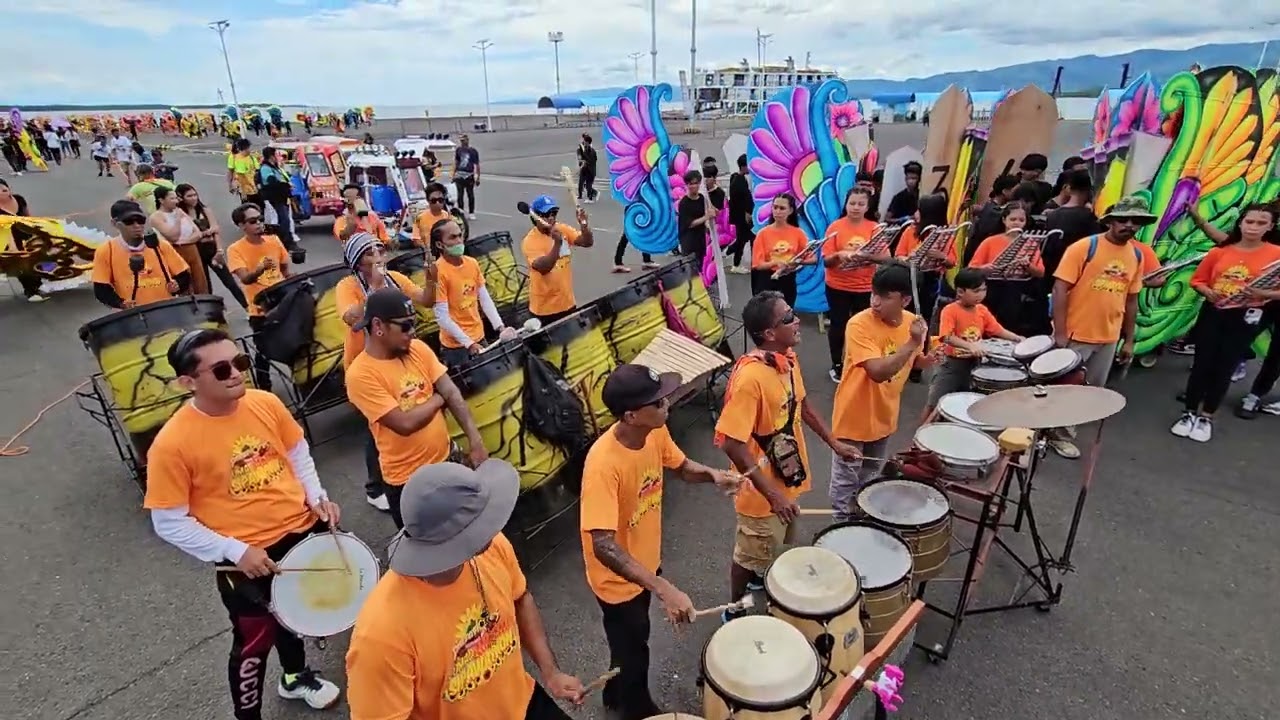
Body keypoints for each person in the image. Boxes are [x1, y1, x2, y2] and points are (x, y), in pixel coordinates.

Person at [143, 328, 342, 720]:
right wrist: (236, 551)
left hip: (300, 532)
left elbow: (296, 451)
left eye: (239, 362)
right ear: (188, 382)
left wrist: (317, 499)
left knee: (296, 615)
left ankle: (295, 677)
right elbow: (168, 521)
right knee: (254, 642)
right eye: (220, 369)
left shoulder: (265, 402)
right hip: (245, 557)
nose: (236, 373)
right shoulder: (171, 444)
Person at [346, 461, 586, 720]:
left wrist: (550, 671)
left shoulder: (492, 546)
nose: (493, 524)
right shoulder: (380, 635)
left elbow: (520, 599)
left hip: (522, 704)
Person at [581, 364, 741, 718]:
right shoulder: (603, 466)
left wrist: (713, 475)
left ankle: (613, 691)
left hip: (644, 561)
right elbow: (603, 545)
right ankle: (637, 709)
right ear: (631, 415)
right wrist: (664, 589)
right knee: (635, 648)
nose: (666, 403)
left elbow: (682, 466)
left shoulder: (654, 432)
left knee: (628, 642)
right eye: (657, 401)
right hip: (617, 583)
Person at [716, 290, 859, 618]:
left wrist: (834, 444)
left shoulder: (787, 360)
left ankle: (759, 578)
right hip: (760, 494)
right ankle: (734, 608)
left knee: (776, 546)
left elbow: (803, 405)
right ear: (768, 334)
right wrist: (773, 497)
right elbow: (730, 442)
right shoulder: (750, 379)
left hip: (787, 477)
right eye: (788, 318)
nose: (797, 322)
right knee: (747, 555)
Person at [345, 288, 488, 528]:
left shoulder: (418, 350)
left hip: (447, 460)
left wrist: (476, 441)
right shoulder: (361, 375)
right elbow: (405, 423)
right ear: (378, 326)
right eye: (405, 326)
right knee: (431, 556)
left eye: (414, 325)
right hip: (409, 483)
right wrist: (439, 398)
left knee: (469, 530)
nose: (412, 333)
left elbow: (452, 391)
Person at [336, 232, 435, 512]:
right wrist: (376, 288)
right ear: (358, 262)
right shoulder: (347, 286)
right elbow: (351, 317)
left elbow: (425, 300)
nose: (379, 256)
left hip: (396, 360)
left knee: (406, 408)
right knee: (377, 426)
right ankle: (374, 487)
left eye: (379, 249)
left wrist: (431, 277)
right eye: (370, 253)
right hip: (364, 364)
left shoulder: (396, 279)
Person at [1048, 195, 1152, 458]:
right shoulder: (1084, 248)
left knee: (1089, 390)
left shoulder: (1137, 255)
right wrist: (1060, 333)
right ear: (1110, 221)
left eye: (1135, 221)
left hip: (1108, 336)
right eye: (1122, 219)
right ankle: (1048, 433)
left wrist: (1128, 340)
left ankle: (1062, 433)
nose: (1128, 225)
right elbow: (1060, 288)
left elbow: (1131, 300)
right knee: (1062, 387)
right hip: (1075, 333)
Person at [829, 264, 933, 518]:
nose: (875, 302)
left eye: (885, 297)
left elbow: (912, 360)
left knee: (870, 475)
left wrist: (927, 358)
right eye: (873, 293)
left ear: (906, 300)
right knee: (845, 481)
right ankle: (840, 525)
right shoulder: (858, 325)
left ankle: (862, 519)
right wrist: (912, 343)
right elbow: (877, 372)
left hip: (885, 415)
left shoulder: (914, 324)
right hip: (853, 417)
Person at [1173, 204, 1280, 441]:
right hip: (1214, 311)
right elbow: (1198, 280)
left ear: (1270, 227)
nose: (1253, 227)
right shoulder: (1219, 252)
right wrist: (1207, 291)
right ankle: (1188, 413)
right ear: (1240, 223)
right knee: (1201, 364)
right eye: (1249, 221)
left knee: (1225, 366)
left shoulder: (1276, 255)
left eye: (1261, 223)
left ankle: (1206, 417)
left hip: (1246, 316)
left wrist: (1264, 294)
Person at [925, 268, 1024, 418]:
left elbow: (997, 330)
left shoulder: (982, 310)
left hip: (973, 363)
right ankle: (920, 433)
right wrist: (970, 346)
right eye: (976, 291)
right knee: (935, 404)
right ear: (960, 292)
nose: (981, 295)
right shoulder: (950, 310)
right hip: (951, 364)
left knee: (965, 404)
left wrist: (1017, 338)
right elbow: (946, 337)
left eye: (984, 290)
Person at [822, 187, 887, 381]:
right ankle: (837, 364)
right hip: (837, 286)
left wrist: (868, 257)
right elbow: (826, 260)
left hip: (865, 287)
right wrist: (840, 255)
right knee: (838, 326)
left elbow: (886, 258)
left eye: (861, 204)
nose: (856, 207)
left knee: (864, 327)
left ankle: (860, 362)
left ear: (867, 206)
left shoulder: (875, 228)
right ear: (846, 204)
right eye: (852, 203)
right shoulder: (835, 227)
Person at [430, 218, 514, 365]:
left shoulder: (472, 263)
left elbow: (485, 299)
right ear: (439, 244)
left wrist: (500, 327)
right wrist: (468, 344)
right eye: (452, 237)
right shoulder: (437, 272)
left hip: (479, 338)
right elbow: (442, 318)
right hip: (456, 348)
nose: (459, 241)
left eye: (459, 235)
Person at [226, 203, 292, 391]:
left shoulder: (274, 241)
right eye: (253, 221)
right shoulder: (235, 249)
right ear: (241, 225)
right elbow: (245, 278)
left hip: (283, 302)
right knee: (263, 352)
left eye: (260, 219)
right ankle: (265, 389)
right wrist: (260, 269)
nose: (259, 224)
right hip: (260, 309)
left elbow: (286, 271)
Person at [91, 200, 190, 309]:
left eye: (140, 220)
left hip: (166, 310)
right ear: (115, 223)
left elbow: (184, 276)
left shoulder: (160, 245)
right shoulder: (106, 251)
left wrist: (178, 285)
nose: (137, 225)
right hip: (133, 316)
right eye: (129, 221)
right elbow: (101, 289)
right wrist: (121, 303)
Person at [967, 201, 1044, 333]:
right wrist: (985, 269)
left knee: (1009, 325)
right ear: (1004, 220)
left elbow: (1040, 272)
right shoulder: (990, 241)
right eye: (1012, 219)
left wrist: (1028, 266)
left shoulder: (1030, 243)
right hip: (990, 288)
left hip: (1014, 290)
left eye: (1021, 220)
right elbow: (971, 268)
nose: (1016, 223)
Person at [521, 193, 594, 325]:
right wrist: (557, 244)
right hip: (544, 311)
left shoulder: (561, 229)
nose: (551, 217)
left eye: (554, 213)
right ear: (536, 217)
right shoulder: (530, 241)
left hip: (567, 304)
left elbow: (587, 242)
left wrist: (584, 224)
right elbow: (544, 268)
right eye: (547, 214)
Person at [177, 183, 247, 308]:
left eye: (195, 195)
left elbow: (215, 229)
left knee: (229, 282)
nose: (193, 198)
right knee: (205, 285)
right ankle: (212, 311)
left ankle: (247, 307)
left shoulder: (204, 210)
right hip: (196, 252)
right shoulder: (181, 215)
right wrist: (205, 233)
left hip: (211, 250)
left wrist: (219, 250)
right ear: (181, 198)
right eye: (189, 196)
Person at [895, 192, 958, 329]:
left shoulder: (943, 234)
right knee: (906, 315)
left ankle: (922, 345)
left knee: (925, 316)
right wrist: (908, 258)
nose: (916, 213)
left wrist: (941, 257)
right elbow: (898, 255)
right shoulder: (910, 231)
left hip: (931, 281)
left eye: (919, 210)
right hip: (909, 277)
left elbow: (952, 262)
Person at [750, 193, 813, 305]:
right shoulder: (762, 234)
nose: (777, 211)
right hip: (767, 281)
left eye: (782, 208)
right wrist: (775, 263)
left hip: (788, 280)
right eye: (775, 207)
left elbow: (812, 258)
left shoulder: (798, 233)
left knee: (786, 315)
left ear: (791, 211)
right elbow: (757, 264)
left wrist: (797, 261)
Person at [149, 185, 209, 295]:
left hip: (191, 249)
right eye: (171, 198)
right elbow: (173, 236)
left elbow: (197, 233)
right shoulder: (157, 217)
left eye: (176, 198)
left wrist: (184, 242)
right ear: (161, 200)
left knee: (199, 281)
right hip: (174, 252)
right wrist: (177, 219)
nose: (176, 201)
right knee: (184, 283)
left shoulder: (180, 211)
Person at [0, 178, 45, 302]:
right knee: (21, 264)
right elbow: (5, 230)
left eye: (4, 188)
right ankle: (30, 290)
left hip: (26, 234)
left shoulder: (19, 199)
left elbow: (28, 216)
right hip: (8, 238)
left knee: (36, 260)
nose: (2, 191)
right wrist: (13, 247)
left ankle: (37, 284)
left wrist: (37, 231)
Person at [255, 146, 301, 254]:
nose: (278, 157)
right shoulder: (266, 168)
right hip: (275, 200)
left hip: (282, 199)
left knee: (285, 221)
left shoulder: (275, 167)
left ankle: (286, 243)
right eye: (276, 155)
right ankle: (285, 244)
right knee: (280, 222)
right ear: (271, 156)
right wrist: (285, 184)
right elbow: (271, 181)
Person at [676, 169, 713, 264]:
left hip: (700, 239)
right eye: (690, 184)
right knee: (691, 268)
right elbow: (690, 224)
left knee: (701, 265)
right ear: (687, 185)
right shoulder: (684, 203)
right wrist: (706, 217)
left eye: (696, 183)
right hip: (688, 240)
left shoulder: (702, 198)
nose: (693, 186)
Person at [727, 153, 754, 274]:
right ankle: (736, 262)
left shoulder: (736, 178)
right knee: (744, 239)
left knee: (745, 238)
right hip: (743, 217)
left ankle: (731, 251)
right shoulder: (739, 181)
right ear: (743, 167)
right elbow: (744, 199)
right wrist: (747, 212)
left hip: (741, 216)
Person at [411, 182, 453, 248]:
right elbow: (416, 240)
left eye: (440, 200)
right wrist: (426, 248)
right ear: (428, 201)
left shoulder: (447, 216)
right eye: (434, 201)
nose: (437, 203)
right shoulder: (420, 218)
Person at [454, 133, 480, 219]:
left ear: (467, 140)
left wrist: (477, 177)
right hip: (459, 174)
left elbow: (476, 164)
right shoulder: (458, 150)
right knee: (460, 195)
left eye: (463, 140)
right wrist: (454, 174)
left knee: (470, 194)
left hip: (469, 174)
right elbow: (456, 162)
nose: (462, 142)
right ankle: (461, 211)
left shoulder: (473, 151)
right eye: (461, 141)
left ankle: (471, 212)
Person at [576, 133, 598, 203]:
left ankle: (590, 197)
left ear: (587, 142)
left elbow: (592, 160)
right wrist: (581, 162)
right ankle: (580, 195)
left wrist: (584, 162)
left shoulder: (591, 150)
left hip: (590, 170)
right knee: (581, 183)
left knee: (588, 185)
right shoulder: (582, 147)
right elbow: (580, 156)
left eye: (585, 140)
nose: (584, 141)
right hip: (584, 169)